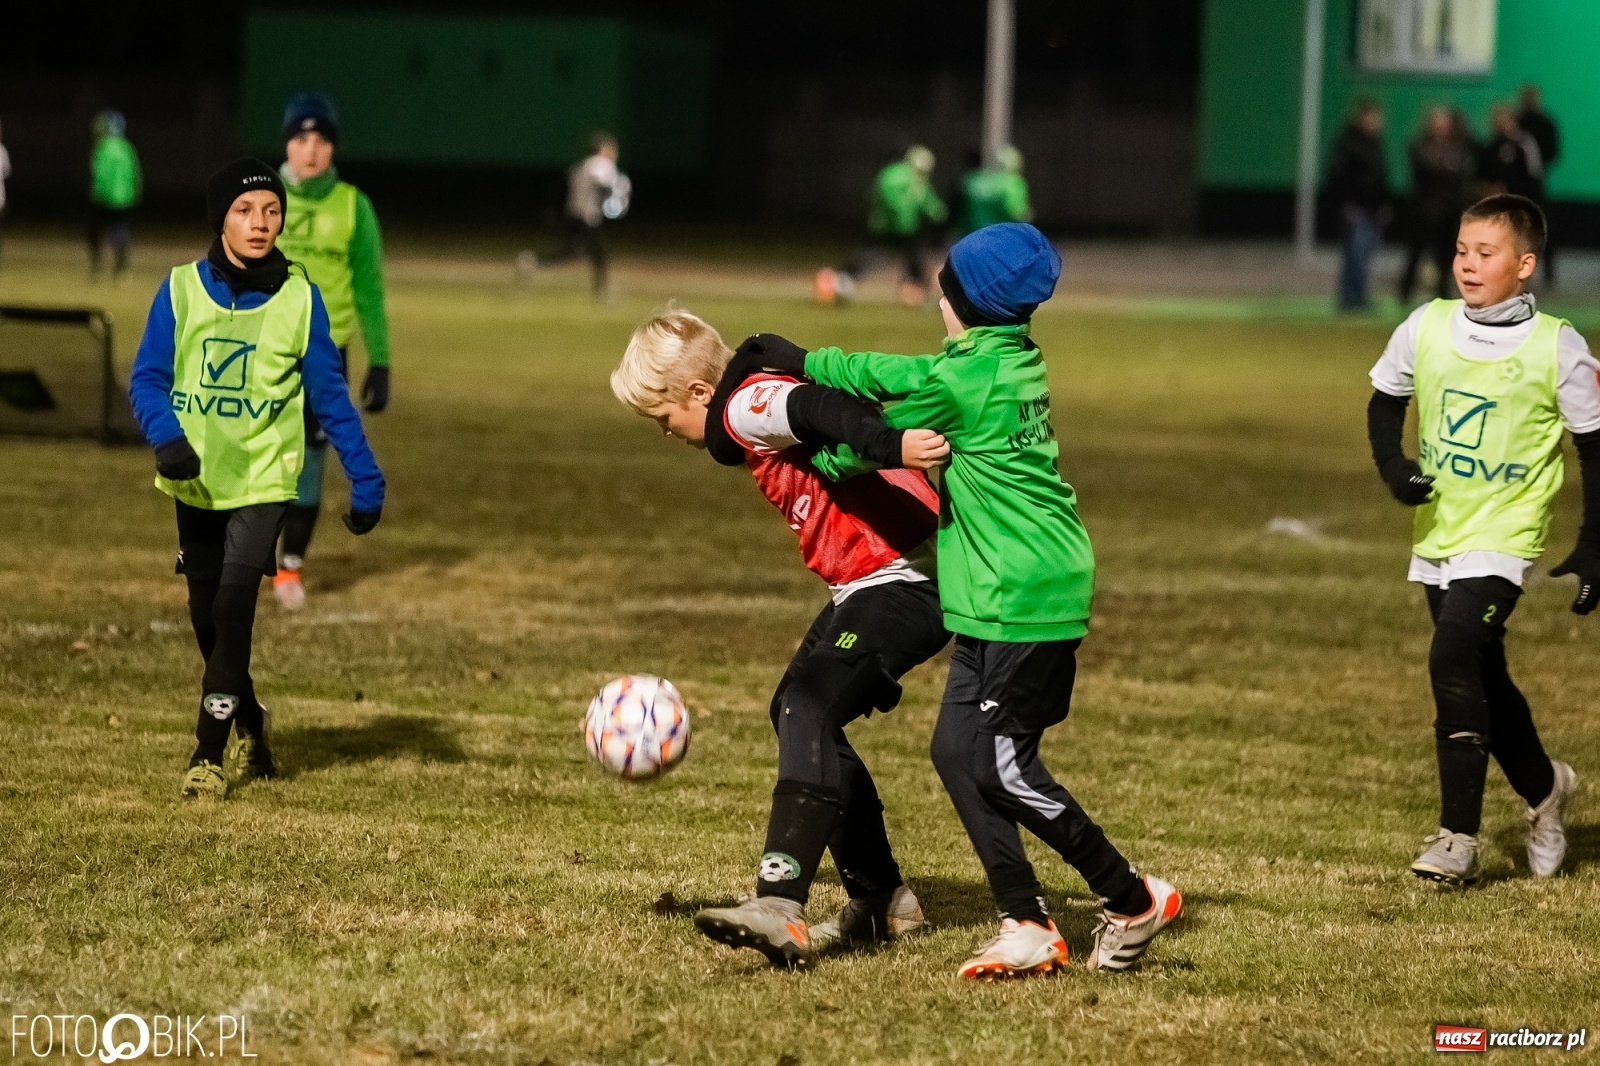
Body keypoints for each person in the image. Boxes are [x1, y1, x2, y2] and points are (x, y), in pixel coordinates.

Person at [753, 223, 1181, 978]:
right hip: (992, 594)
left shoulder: (963, 381)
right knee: (957, 753)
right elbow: (905, 408)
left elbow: (886, 392)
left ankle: (1130, 895)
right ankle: (1027, 922)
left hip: (1026, 595)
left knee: (1001, 768)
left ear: (958, 302)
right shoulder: (1000, 362)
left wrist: (805, 367)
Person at [610, 308, 952, 969]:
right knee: (795, 711)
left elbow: (817, 405)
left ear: (699, 395)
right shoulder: (747, 399)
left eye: (663, 418)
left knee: (809, 708)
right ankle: (881, 900)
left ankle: (778, 901)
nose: (667, 433)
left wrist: (891, 444)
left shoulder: (745, 405)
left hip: (906, 580)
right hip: (876, 581)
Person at [126, 158, 385, 801]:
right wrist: (166, 438)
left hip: (265, 479)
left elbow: (328, 395)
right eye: (245, 212)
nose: (261, 223)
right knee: (206, 619)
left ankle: (206, 755)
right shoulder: (180, 289)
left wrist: (365, 476)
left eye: (271, 211)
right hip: (197, 483)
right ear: (220, 221)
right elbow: (147, 379)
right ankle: (248, 718)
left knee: (236, 605)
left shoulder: (300, 298)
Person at [1366, 194, 1594, 884]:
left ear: (1524, 265)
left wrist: (1594, 539)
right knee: (1483, 675)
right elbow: (1384, 401)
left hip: (1506, 534)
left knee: (1453, 653)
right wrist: (1394, 468)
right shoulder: (1427, 324)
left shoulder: (1560, 346)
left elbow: (1596, 446)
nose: (1467, 263)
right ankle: (1546, 790)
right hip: (1441, 532)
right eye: (1462, 250)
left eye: (1485, 253)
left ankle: (1455, 840)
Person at [271, 93, 394, 609]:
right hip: (262, 349)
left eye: (321, 140)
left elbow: (368, 287)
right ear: (286, 145)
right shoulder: (262, 195)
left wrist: (380, 360)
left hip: (324, 355)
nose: (311, 150)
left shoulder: (352, 205)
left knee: (311, 461)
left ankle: (288, 569)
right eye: (301, 139)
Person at [818, 146, 947, 307]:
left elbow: (927, 200)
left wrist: (938, 213)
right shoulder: (894, 175)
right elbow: (888, 197)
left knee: (914, 255)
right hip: (887, 226)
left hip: (907, 228)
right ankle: (843, 278)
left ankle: (913, 287)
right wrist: (899, 215)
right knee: (873, 253)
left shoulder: (919, 180)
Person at [528, 132, 628, 297]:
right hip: (587, 216)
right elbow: (602, 186)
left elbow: (563, 189)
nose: (614, 152)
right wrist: (611, 203)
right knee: (599, 252)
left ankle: (532, 261)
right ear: (602, 149)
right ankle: (602, 292)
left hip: (572, 214)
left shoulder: (581, 165)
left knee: (573, 252)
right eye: (611, 148)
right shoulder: (602, 164)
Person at [1399, 107, 1471, 305]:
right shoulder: (1420, 146)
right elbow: (1424, 172)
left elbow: (1460, 174)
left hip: (1449, 212)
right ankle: (1405, 292)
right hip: (1424, 211)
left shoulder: (1457, 147)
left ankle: (1443, 294)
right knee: (1415, 253)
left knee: (1446, 256)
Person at [1326, 100, 1389, 312]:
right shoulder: (1349, 143)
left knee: (1364, 255)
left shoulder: (1374, 144)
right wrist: (1347, 205)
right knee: (1354, 255)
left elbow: (1380, 178)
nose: (1375, 122)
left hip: (1371, 208)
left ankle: (1358, 297)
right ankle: (1349, 298)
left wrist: (1382, 204)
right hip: (1356, 209)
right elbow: (1339, 176)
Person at [88, 110, 142, 280]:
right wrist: (133, 193)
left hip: (104, 198)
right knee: (121, 230)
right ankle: (122, 269)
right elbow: (135, 173)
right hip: (125, 197)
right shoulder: (127, 148)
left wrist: (97, 195)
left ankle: (97, 267)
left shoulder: (102, 148)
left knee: (95, 232)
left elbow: (98, 175)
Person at [1517, 86, 1560, 285]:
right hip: (1516, 188)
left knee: (1541, 228)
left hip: (1536, 185)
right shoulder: (1516, 124)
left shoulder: (1543, 124)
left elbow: (1552, 151)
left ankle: (1548, 274)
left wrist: (1538, 167)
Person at [957, 145, 1031, 235]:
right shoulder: (1014, 183)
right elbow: (1017, 212)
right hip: (999, 235)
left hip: (971, 234)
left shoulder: (974, 180)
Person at [1478, 106, 1542, 203]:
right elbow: (1483, 175)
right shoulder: (1489, 149)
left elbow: (1534, 171)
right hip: (1496, 203)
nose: (1501, 124)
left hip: (1521, 200)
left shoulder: (1525, 143)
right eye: (1498, 120)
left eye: (1505, 119)